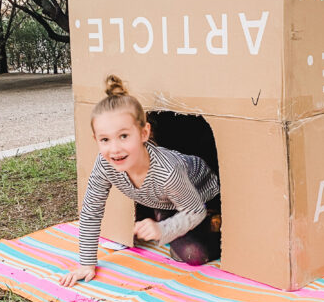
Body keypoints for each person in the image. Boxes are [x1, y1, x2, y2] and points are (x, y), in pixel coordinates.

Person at [59, 75, 221, 287]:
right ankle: (161, 213)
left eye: (124, 136)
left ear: (144, 133)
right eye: (105, 139)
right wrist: (87, 263)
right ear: (96, 140)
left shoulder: (167, 171)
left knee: (192, 253)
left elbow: (194, 210)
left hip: (201, 196)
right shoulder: (105, 163)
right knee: (152, 224)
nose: (115, 148)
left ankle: (214, 220)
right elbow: (91, 210)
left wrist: (163, 230)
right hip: (164, 198)